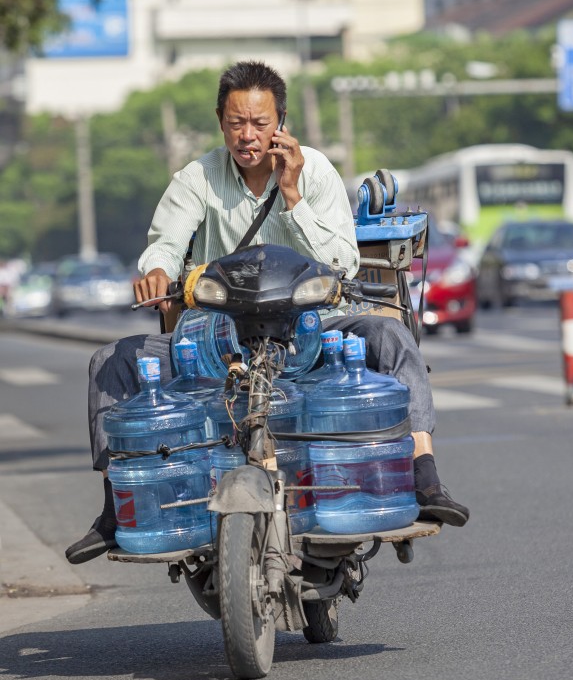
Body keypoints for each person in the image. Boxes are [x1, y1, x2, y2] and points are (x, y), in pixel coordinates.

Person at [65, 60, 469, 565]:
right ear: (220, 122)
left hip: (312, 333)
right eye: (237, 123)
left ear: (281, 122)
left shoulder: (315, 170)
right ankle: (113, 509)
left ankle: (425, 476)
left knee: (391, 338)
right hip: (218, 341)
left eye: (259, 123)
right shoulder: (197, 179)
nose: (247, 135)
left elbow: (341, 262)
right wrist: (156, 271)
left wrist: (293, 193)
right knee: (111, 360)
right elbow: (165, 243)